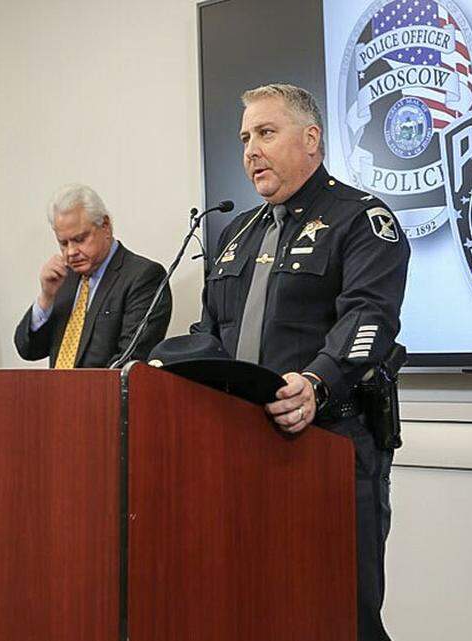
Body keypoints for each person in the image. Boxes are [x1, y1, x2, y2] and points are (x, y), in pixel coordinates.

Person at [190, 83, 409, 641]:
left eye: (266, 132)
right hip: (241, 449)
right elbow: (211, 331)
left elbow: (370, 320)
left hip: (334, 444)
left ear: (311, 139)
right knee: (256, 607)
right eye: (244, 138)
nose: (250, 151)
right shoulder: (236, 233)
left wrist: (317, 382)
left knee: (339, 614)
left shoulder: (361, 220)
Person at [15, 184, 171, 367]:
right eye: (63, 243)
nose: (71, 252)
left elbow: (130, 360)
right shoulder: (63, 278)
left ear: (105, 226)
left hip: (104, 394)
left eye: (79, 239)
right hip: (56, 393)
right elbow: (29, 350)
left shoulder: (143, 277)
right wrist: (46, 298)